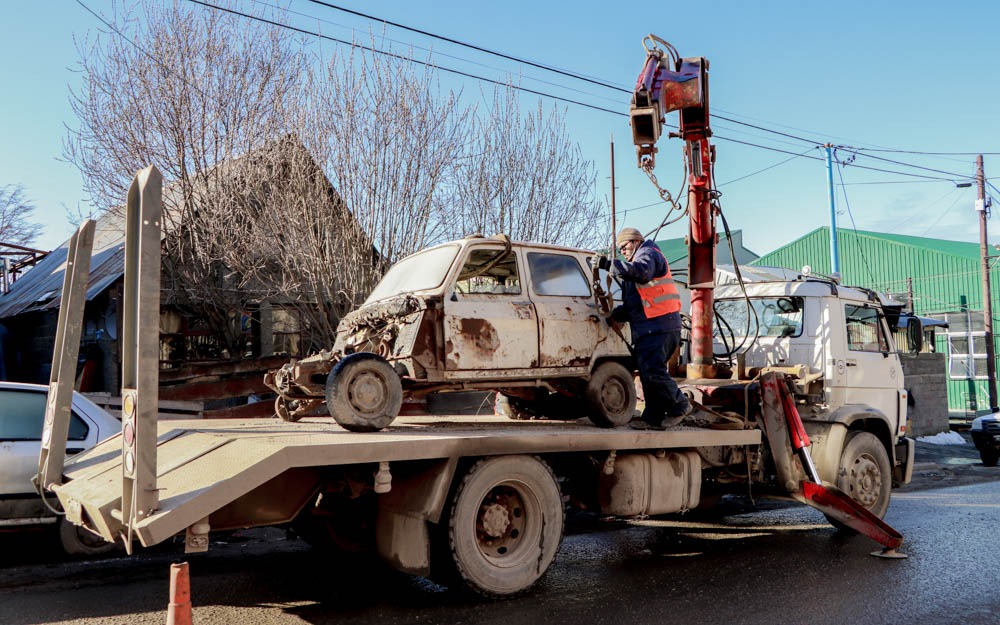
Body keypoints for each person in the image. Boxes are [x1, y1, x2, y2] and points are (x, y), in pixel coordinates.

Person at [594, 227, 692, 429]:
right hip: (655, 326)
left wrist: (607, 264)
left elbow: (642, 272)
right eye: (620, 249)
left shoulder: (648, 254)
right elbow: (634, 306)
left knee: (653, 371)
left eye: (624, 246)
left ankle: (680, 404)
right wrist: (615, 316)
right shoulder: (637, 265)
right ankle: (652, 417)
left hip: (658, 326)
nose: (623, 252)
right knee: (648, 374)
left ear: (636, 241)